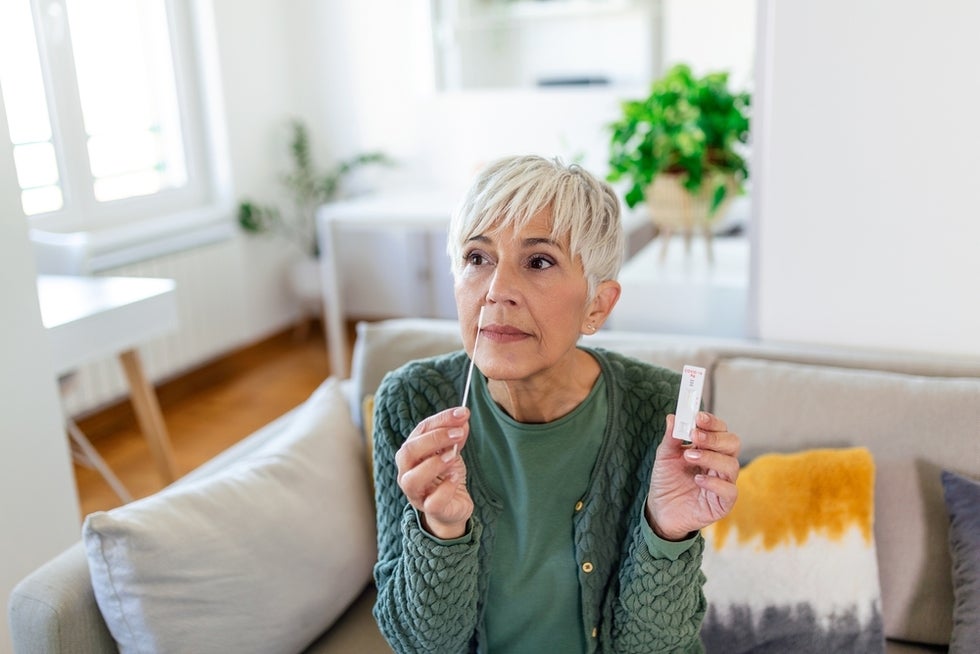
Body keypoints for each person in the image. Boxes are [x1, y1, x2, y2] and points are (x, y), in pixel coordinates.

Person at [371, 155, 741, 653]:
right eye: (477, 259)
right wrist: (441, 531)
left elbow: (655, 649)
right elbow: (420, 646)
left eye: (539, 261)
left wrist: (666, 534)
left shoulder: (660, 411)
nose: (496, 293)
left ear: (598, 305)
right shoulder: (411, 401)